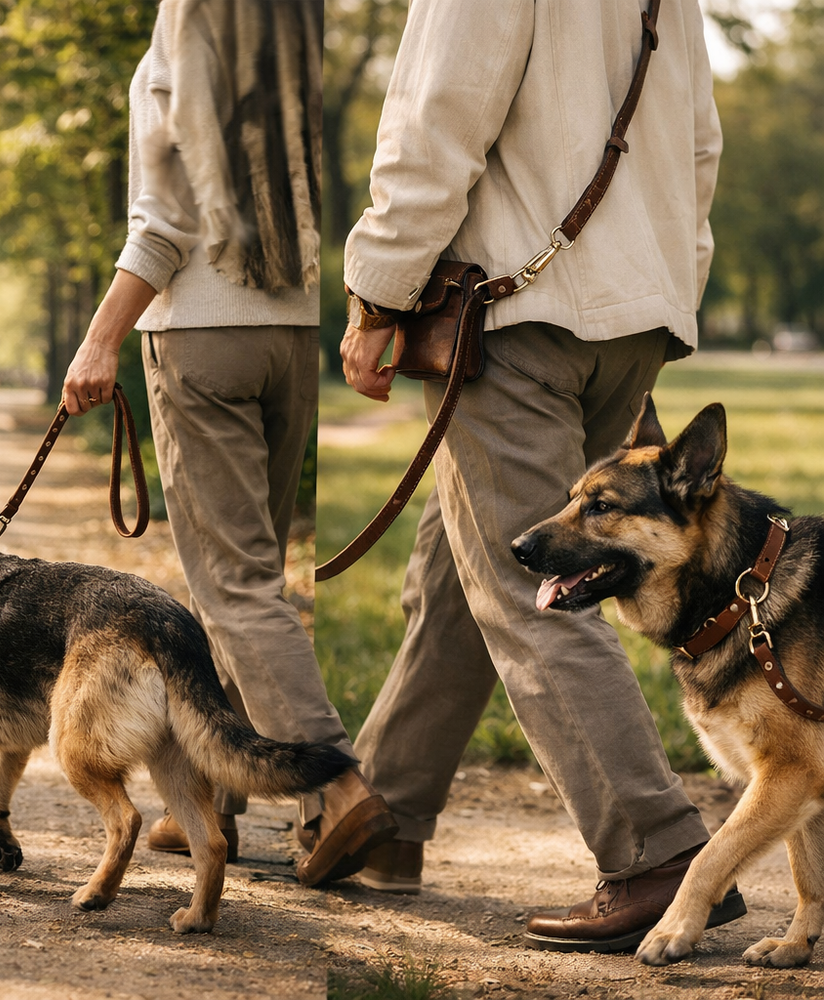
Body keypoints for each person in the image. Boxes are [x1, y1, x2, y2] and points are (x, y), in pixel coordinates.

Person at [338, 0, 741, 951]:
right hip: (630, 316)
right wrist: (667, 290)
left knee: (536, 586)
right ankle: (381, 816)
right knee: (467, 568)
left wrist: (378, 291)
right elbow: (699, 148)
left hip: (511, 313)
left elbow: (438, 114)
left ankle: (656, 854)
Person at [62, 0, 398, 887]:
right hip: (289, 333)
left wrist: (100, 339)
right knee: (251, 580)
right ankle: (216, 800)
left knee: (235, 586)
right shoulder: (293, 41)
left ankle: (336, 789)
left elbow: (165, 221)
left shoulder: (183, 30)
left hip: (203, 331)